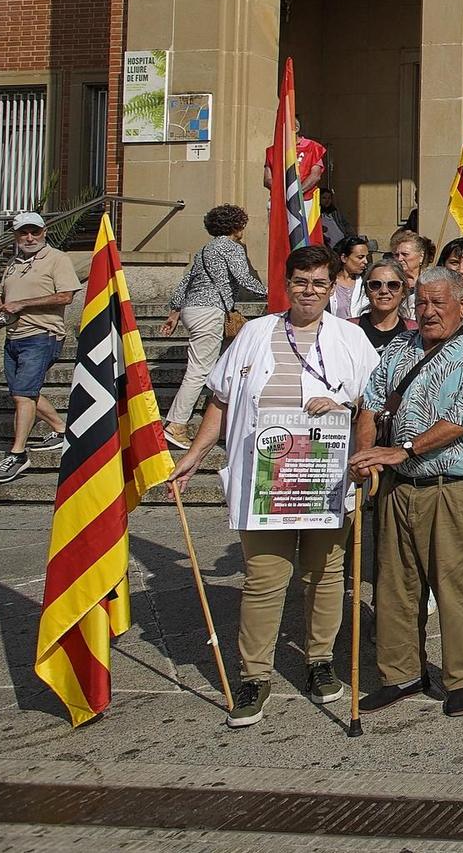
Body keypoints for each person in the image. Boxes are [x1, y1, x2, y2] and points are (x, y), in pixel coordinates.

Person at [169, 244, 380, 727]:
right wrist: (195, 454)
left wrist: (345, 411)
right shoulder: (253, 334)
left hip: (326, 476)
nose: (310, 292)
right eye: (302, 282)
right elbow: (221, 401)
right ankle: (254, 675)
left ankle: (319, 662)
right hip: (266, 478)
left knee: (326, 574)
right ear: (286, 285)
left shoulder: (351, 338)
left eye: (320, 283)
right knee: (264, 578)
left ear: (332, 287)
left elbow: (372, 403)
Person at [349, 266, 463, 716]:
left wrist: (404, 449)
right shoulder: (399, 347)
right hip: (398, 489)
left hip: (450, 487)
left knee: (454, 585)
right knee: (395, 586)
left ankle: (461, 678)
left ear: (461, 305)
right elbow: (371, 405)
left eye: (438, 303)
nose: (429, 311)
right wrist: (364, 455)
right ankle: (402, 674)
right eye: (422, 303)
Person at [157, 205, 267, 452]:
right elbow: (244, 278)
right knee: (198, 371)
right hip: (210, 310)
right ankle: (176, 425)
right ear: (236, 225)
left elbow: (186, 280)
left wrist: (174, 311)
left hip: (192, 310)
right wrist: (275, 293)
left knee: (220, 363)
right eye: (242, 224)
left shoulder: (205, 249)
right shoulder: (231, 247)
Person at [0, 212, 77, 485]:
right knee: (21, 393)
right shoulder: (14, 262)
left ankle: (18, 453)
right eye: (23, 233)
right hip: (14, 336)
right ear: (15, 235)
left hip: (42, 335)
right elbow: (0, 293)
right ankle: (61, 428)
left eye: (34, 232)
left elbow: (66, 296)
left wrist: (24, 304)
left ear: (44, 232)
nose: (29, 238)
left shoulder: (57, 259)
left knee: (23, 395)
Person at [262, 115, 327, 217]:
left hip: (303, 200)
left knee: (301, 232)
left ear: (296, 129)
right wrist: (283, 191)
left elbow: (315, 175)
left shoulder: (312, 147)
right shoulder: (272, 151)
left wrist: (296, 192)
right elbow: (267, 179)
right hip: (279, 200)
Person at [356, 258, 415, 349]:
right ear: (366, 291)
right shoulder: (349, 328)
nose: (384, 291)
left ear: (403, 291)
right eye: (375, 285)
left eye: (393, 285)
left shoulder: (415, 332)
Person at [391, 232, 432, 322]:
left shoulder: (431, 281)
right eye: (396, 255)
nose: (399, 259)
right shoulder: (390, 280)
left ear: (421, 256)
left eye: (405, 254)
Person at [328, 234, 371, 321]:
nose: (365, 261)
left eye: (366, 257)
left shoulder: (367, 282)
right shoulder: (328, 282)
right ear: (344, 258)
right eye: (360, 257)